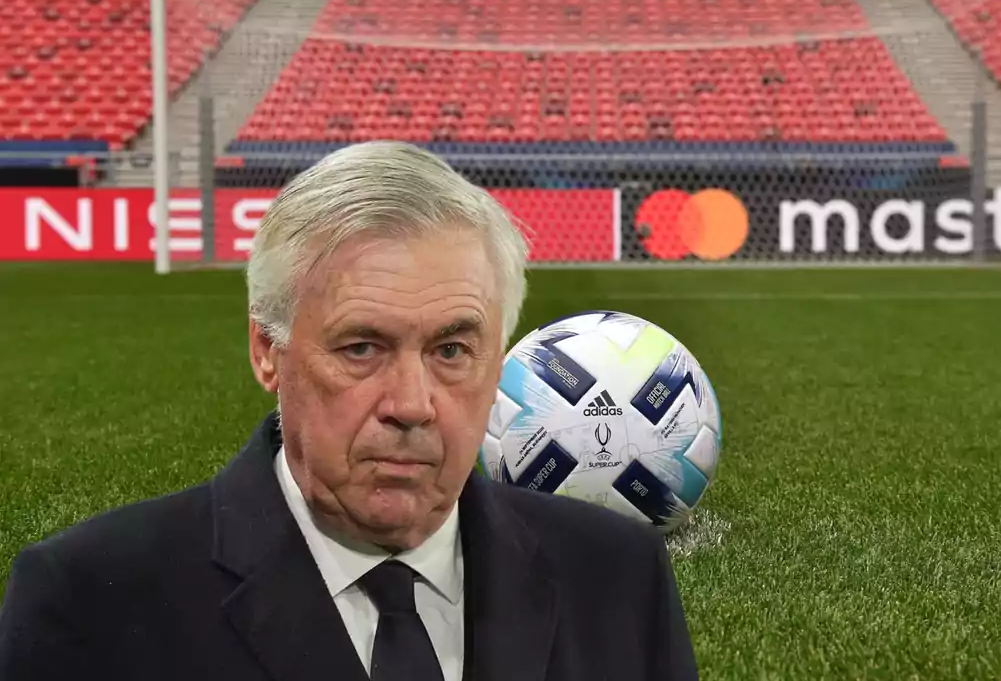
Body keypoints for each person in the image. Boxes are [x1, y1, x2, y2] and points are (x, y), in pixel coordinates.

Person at [0, 141, 699, 681]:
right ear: (267, 351)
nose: (411, 405)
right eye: (361, 348)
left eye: (453, 350)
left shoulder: (617, 574)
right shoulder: (93, 601)